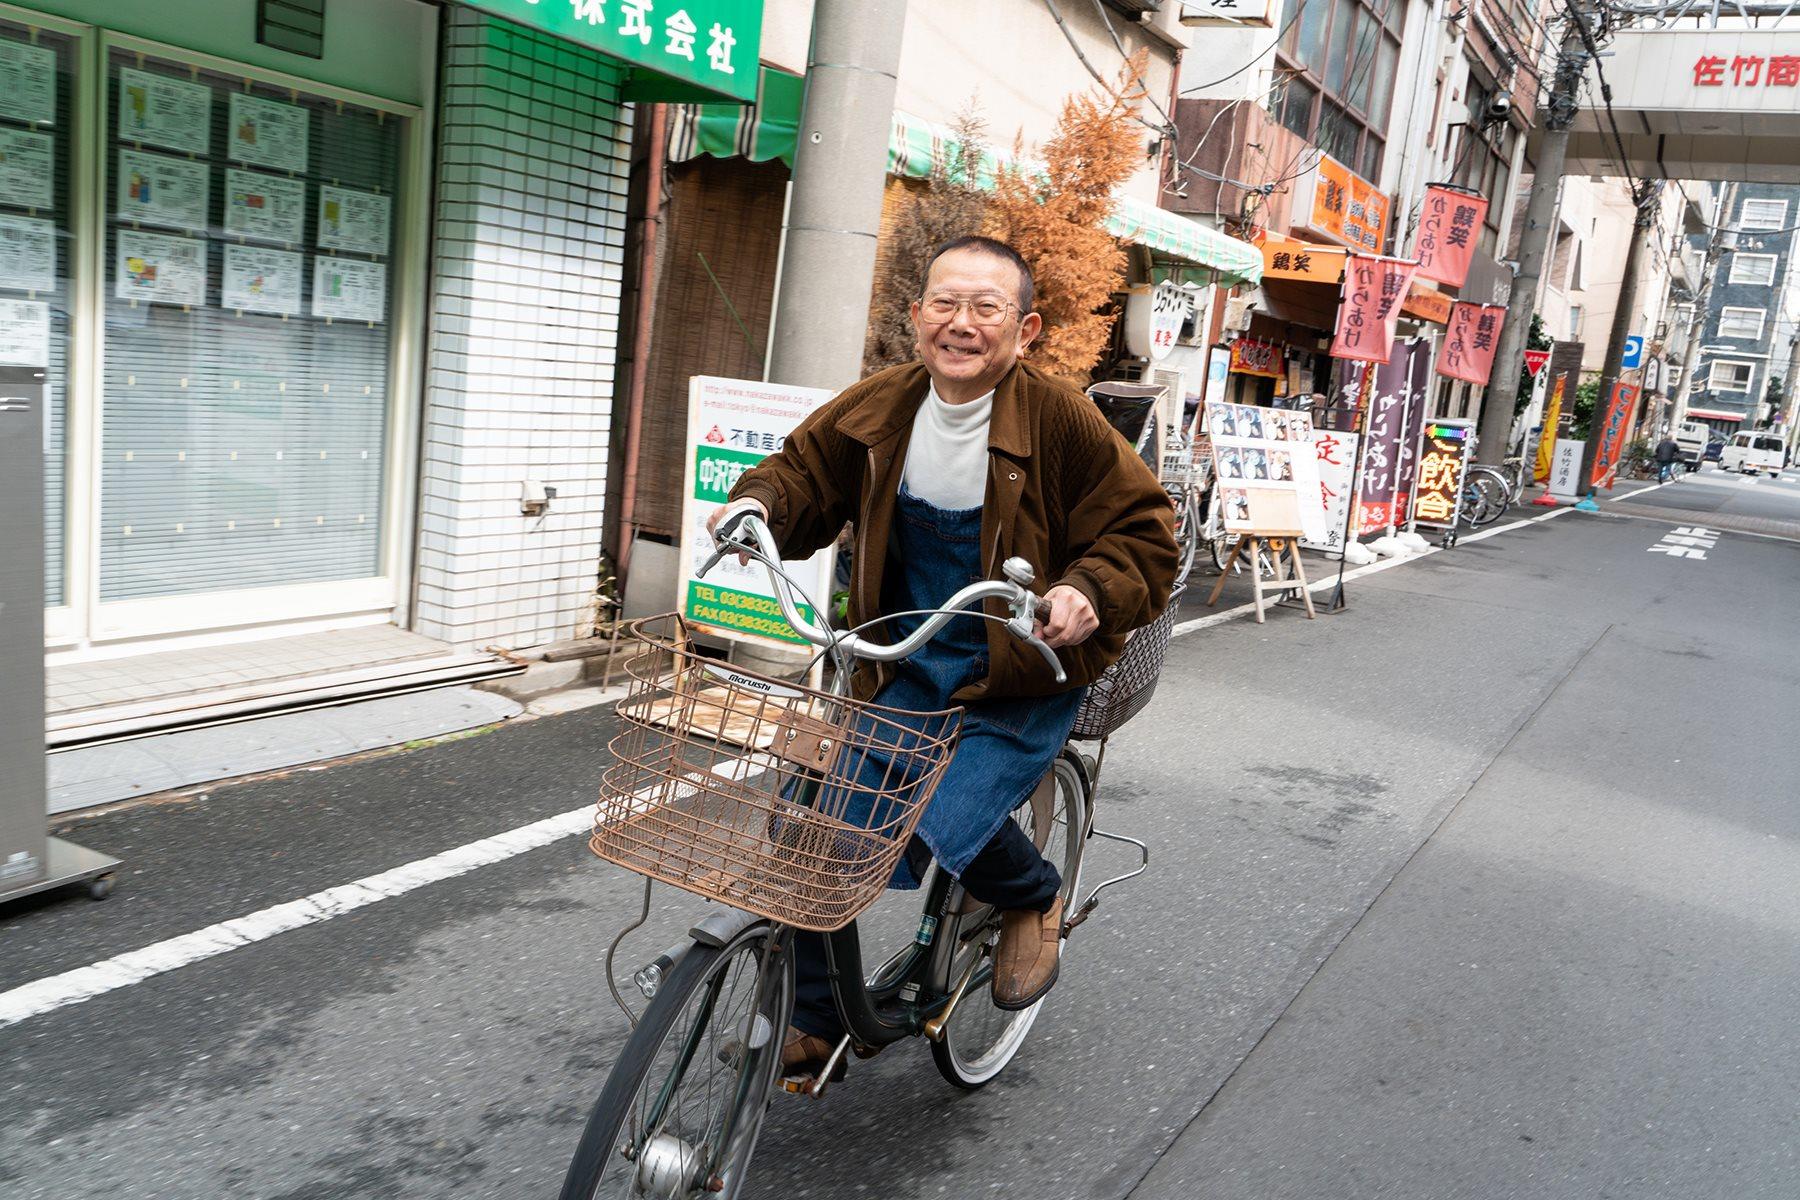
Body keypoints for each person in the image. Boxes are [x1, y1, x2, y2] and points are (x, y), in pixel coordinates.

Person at [709, 236, 1177, 1077]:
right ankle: (819, 1018)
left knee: (941, 806)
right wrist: (755, 506)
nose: (961, 324)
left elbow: (1141, 531)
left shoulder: (1062, 420)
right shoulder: (883, 405)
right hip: (909, 655)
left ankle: (1033, 894)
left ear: (1025, 328)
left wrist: (1088, 592)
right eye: (944, 304)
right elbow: (802, 474)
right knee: (816, 824)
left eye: (986, 308)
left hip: (1021, 669)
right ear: (919, 315)